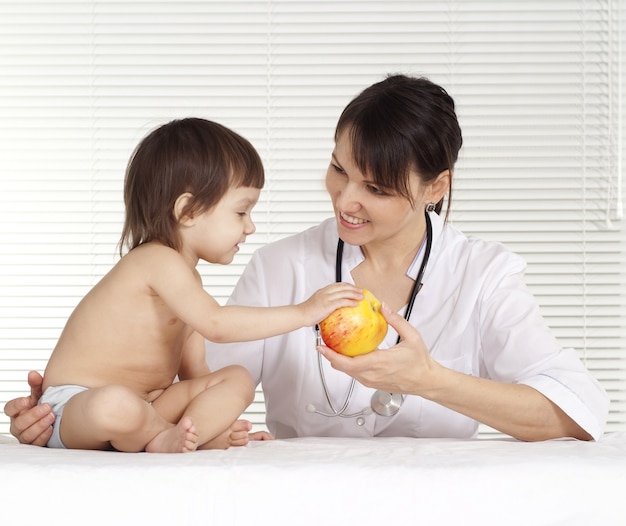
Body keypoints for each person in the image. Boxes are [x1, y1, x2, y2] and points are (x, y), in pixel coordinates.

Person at [5, 75, 608, 445]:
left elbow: (577, 413)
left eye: (376, 189)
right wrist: (71, 415)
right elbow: (196, 385)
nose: (346, 199)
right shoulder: (281, 267)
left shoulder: (484, 274)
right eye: (339, 169)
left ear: (435, 188)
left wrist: (431, 382)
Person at [4, 117, 361, 453]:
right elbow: (217, 325)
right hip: (77, 404)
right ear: (187, 211)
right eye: (241, 212)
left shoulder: (188, 282)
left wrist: (217, 420)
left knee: (235, 378)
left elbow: (196, 374)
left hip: (149, 406)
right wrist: (303, 312)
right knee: (115, 404)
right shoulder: (155, 261)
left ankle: (186, 436)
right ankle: (159, 438)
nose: (250, 227)